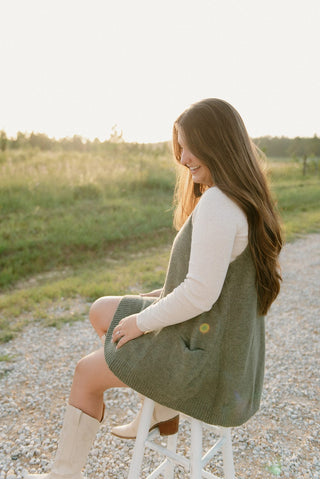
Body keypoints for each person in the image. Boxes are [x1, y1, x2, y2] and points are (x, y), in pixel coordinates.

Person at [26, 98, 282, 478]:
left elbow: (199, 294)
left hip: (202, 363)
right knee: (101, 309)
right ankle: (160, 407)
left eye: (190, 146)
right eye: (180, 146)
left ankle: (63, 475)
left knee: (85, 373)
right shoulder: (244, 200)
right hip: (222, 353)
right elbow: (212, 288)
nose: (183, 157)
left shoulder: (217, 204)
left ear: (218, 144)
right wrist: (149, 302)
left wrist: (142, 323)